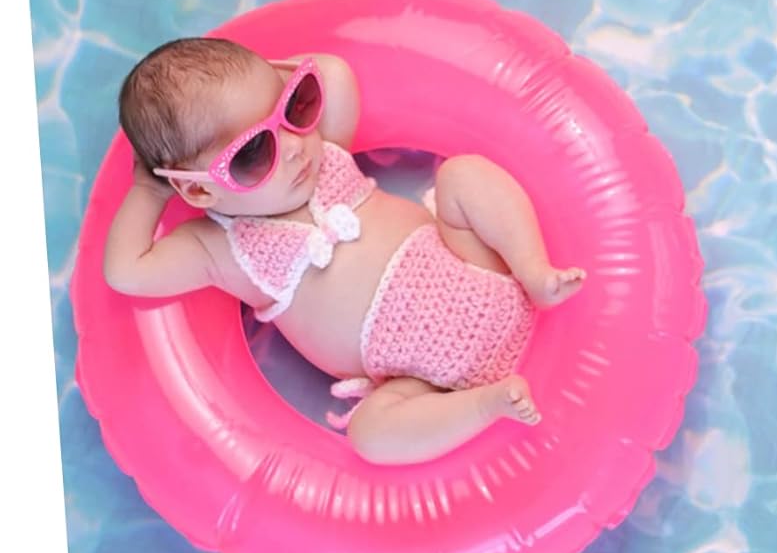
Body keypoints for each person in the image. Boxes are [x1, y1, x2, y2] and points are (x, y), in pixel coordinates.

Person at [103, 38, 585, 464]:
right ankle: (484, 405)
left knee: (465, 174)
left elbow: (332, 70)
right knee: (370, 434)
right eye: (253, 153)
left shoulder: (327, 153)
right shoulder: (221, 252)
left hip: (475, 264)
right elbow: (126, 271)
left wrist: (268, 85)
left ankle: (534, 271)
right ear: (199, 190)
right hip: (424, 381)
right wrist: (150, 190)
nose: (294, 147)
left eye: (294, 109)